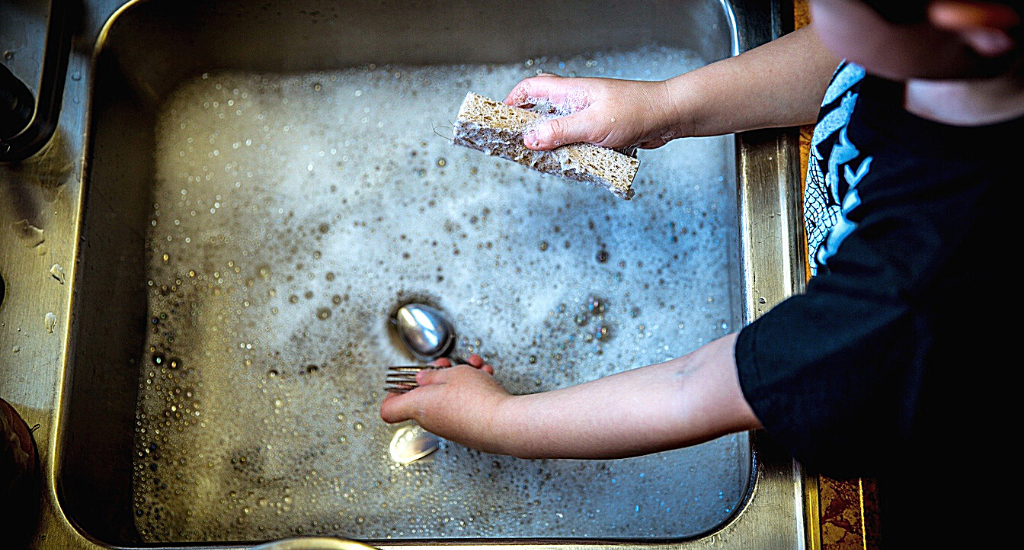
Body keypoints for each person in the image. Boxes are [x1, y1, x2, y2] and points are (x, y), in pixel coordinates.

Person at [383, 0, 1020, 544]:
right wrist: (665, 107)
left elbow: (698, 386)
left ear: (976, 20)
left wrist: (500, 424)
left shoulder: (916, 293)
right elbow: (843, 58)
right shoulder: (951, 59)